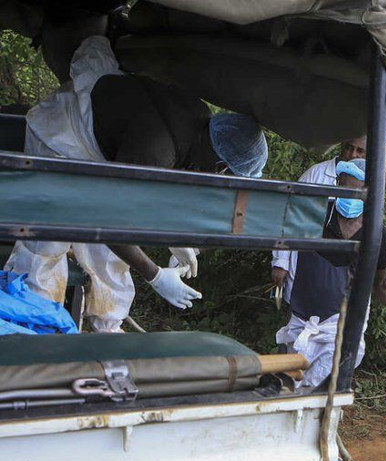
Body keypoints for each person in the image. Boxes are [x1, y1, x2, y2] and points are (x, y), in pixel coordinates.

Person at [4, 36, 268, 332]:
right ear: (222, 167)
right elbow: (109, 221)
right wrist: (155, 275)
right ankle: (29, 326)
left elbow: (159, 190)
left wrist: (176, 236)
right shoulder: (156, 148)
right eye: (229, 179)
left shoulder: (200, 126)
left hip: (105, 152)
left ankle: (108, 328)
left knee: (111, 257)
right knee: (47, 241)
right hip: (62, 137)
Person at [274, 159, 386, 388]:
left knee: (324, 390)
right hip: (302, 317)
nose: (348, 196)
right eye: (343, 188)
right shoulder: (317, 215)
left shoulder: (377, 235)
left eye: (355, 191)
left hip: (340, 323)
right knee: (289, 387)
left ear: (370, 194)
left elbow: (379, 284)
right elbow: (282, 225)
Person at [270, 136, 367, 300]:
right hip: (306, 265)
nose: (353, 154)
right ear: (342, 146)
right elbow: (289, 216)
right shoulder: (316, 174)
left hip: (343, 277)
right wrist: (281, 261)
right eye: (349, 148)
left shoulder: (371, 183)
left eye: (360, 151)